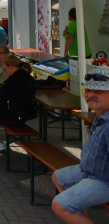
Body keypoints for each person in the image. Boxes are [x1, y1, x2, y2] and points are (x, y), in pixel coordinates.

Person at [52, 69, 109, 222]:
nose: (90, 95)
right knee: (57, 177)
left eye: (98, 91)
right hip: (89, 171)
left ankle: (73, 211)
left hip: (103, 180)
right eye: (88, 90)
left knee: (60, 205)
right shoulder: (101, 115)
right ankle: (80, 216)